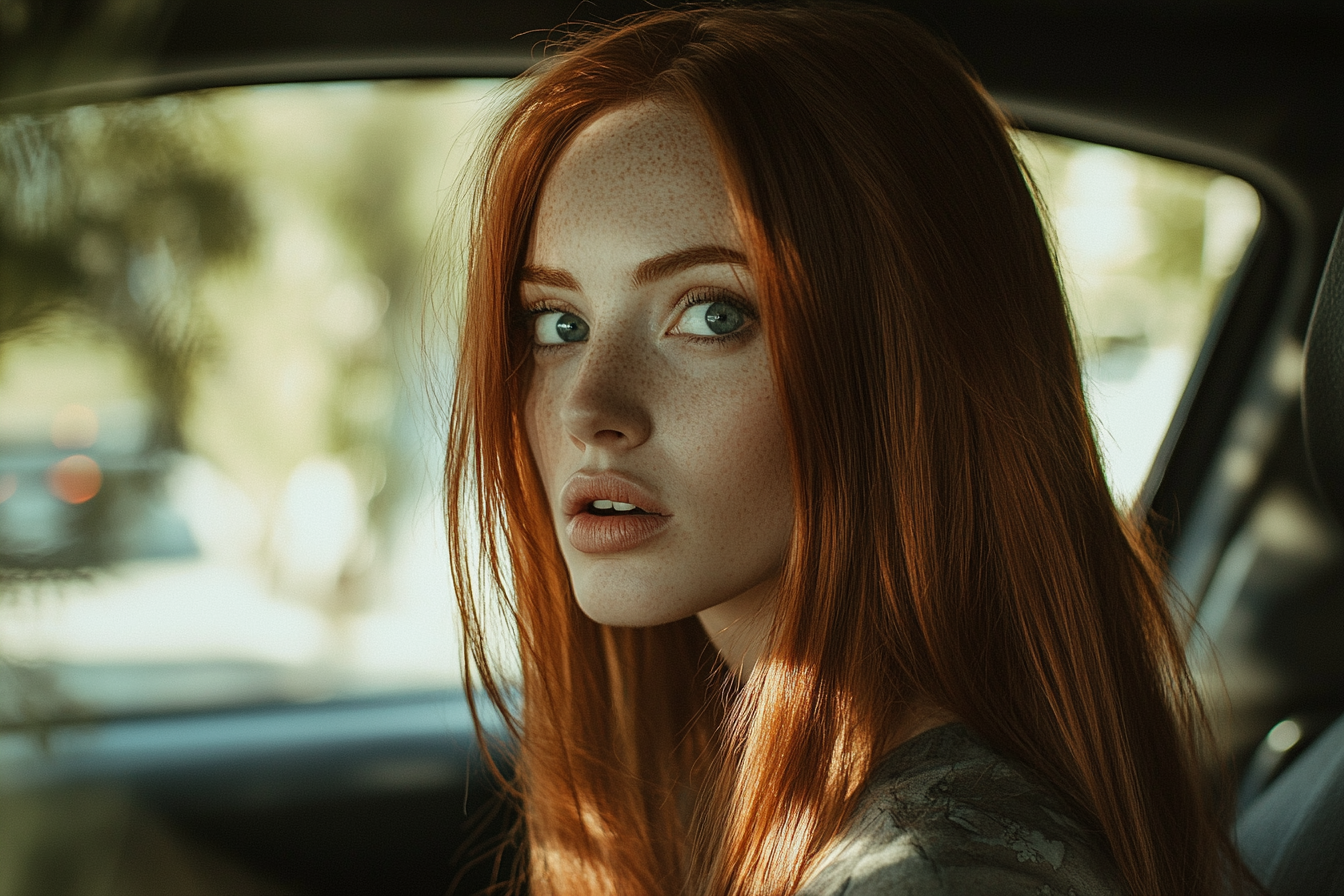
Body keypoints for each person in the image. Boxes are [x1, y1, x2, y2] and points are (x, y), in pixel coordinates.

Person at [444, 5, 1254, 895]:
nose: (589, 408)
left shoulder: (937, 875)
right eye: (559, 322)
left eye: (714, 313)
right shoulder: (780, 793)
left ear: (914, 362)